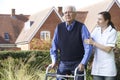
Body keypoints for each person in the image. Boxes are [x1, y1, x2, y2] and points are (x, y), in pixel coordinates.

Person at [50, 6, 92, 80]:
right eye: (65, 12)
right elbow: (54, 46)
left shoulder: (82, 27)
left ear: (75, 14)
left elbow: (88, 47)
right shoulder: (59, 27)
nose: (67, 14)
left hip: (78, 62)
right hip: (63, 62)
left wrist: (83, 63)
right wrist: (54, 60)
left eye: (70, 12)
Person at [85, 11, 117, 80]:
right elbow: (88, 41)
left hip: (108, 68)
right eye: (97, 19)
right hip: (97, 67)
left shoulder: (112, 31)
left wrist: (93, 43)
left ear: (106, 21)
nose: (97, 21)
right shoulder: (96, 30)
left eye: (100, 19)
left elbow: (108, 49)